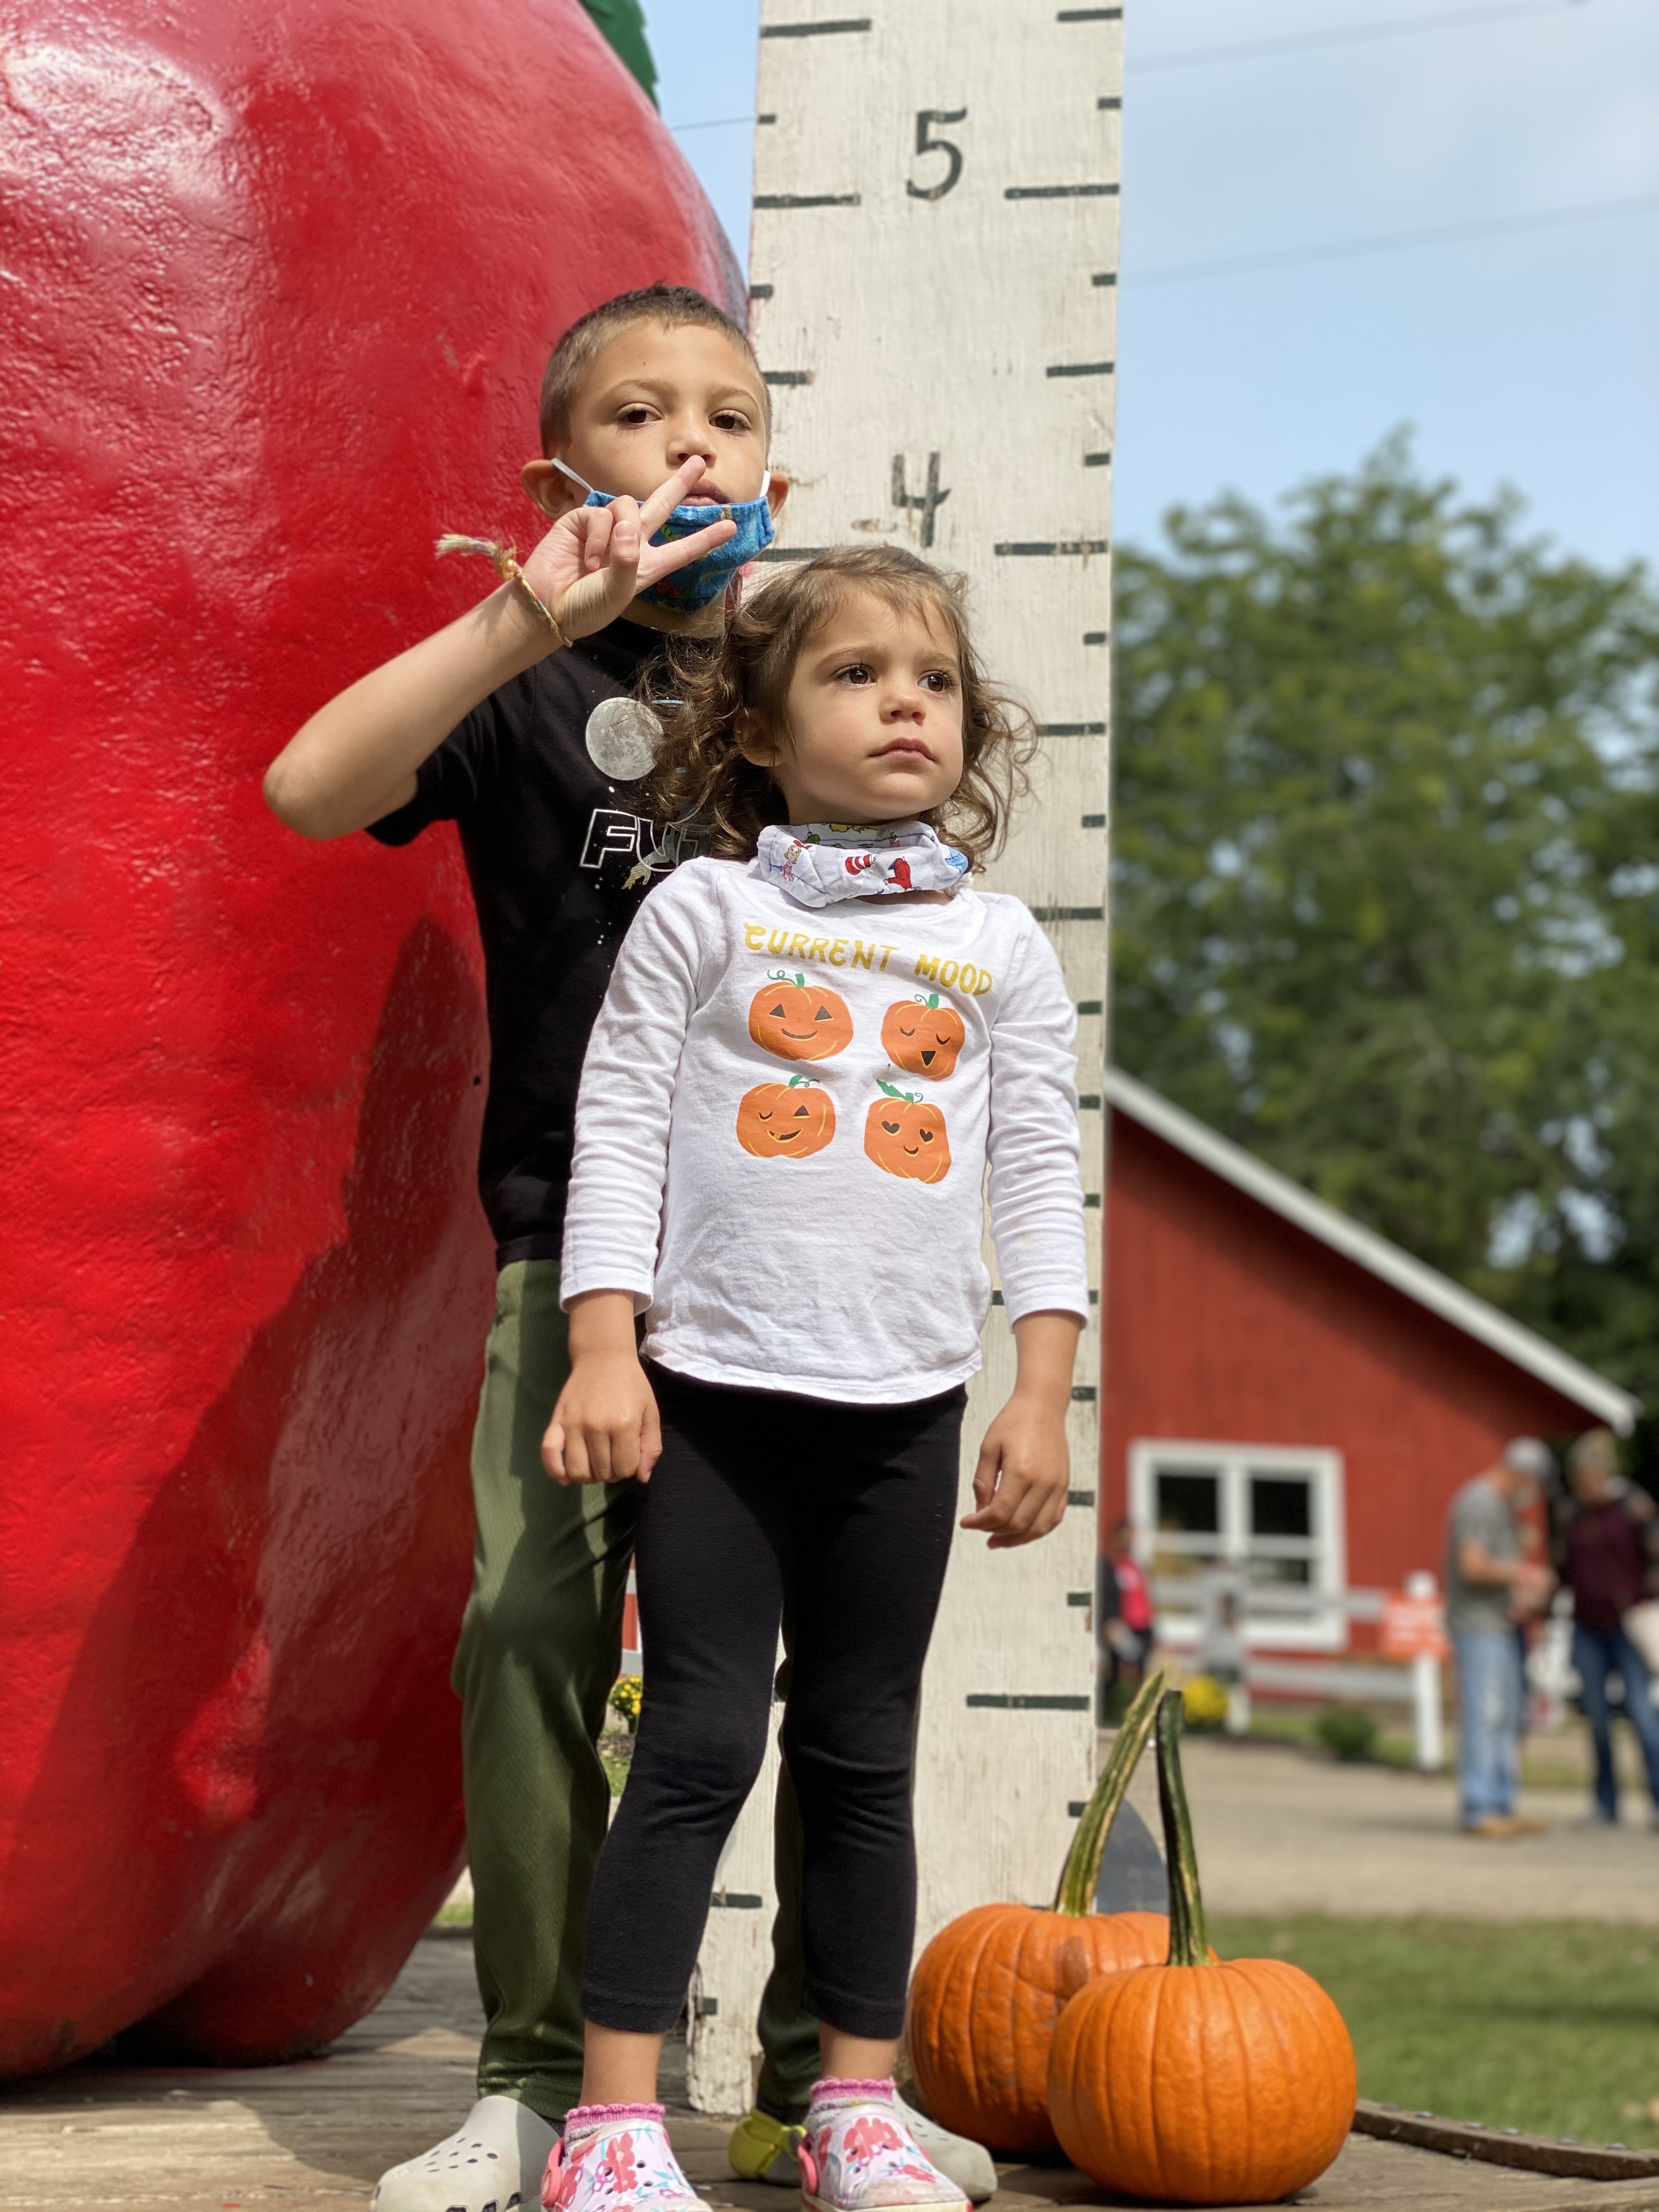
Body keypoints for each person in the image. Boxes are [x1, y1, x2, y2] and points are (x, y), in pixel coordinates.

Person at [264, 288, 992, 2212]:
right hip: (575, 1267)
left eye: (730, 417)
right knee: (530, 1628)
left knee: (823, 1682)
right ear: (555, 477)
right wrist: (526, 615)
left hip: (811, 1279)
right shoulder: (526, 678)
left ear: (774, 479)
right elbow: (307, 789)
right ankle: (537, 2079)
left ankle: (810, 2087)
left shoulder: (818, 688)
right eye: (640, 414)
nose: (692, 443)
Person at [538, 544, 1090, 2212]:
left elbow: (1038, 1176)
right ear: (762, 735)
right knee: (698, 1747)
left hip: (906, 1409)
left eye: (934, 680)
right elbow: (618, 1132)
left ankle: (855, 2104)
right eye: (855, 675)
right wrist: (603, 1346)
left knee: (861, 1754)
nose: (904, 703)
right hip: (713, 1396)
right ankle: (611, 2126)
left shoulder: (1001, 946)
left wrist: (1041, 1390)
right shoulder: (708, 911)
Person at [1443, 1438, 1556, 1837]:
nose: (1534, 1493)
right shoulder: (1479, 1502)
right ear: (1523, 1474)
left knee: (1507, 1717)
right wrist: (1522, 1574)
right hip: (1478, 1627)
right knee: (1485, 1716)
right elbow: (1471, 1566)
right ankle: (1479, 1808)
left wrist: (1521, 1598)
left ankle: (1502, 1805)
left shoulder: (1501, 1508)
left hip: (1501, 1625)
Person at [1554, 1429, 1659, 1825]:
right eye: (1580, 1476)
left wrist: (1649, 1596)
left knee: (1641, 1711)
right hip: (1586, 1624)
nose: (1586, 1484)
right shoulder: (1570, 1513)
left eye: (1591, 1475)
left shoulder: (1632, 1504)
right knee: (1596, 1716)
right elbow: (1562, 1566)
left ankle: (1658, 1799)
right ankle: (1606, 1802)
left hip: (1628, 1624)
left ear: (1605, 1473)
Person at [1098, 1517, 1154, 1717]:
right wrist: (1108, 1621)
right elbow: (1106, 1596)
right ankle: (1110, 1710)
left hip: (1142, 1624)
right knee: (1116, 1671)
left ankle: (1137, 1712)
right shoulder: (1108, 1563)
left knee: (1142, 1670)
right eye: (1127, 1536)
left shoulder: (1135, 1564)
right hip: (1120, 1624)